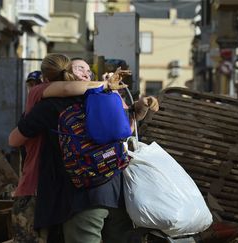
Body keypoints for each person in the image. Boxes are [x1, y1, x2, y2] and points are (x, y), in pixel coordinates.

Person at [9, 53, 148, 243]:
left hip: (81, 197)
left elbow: (13, 140)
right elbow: (125, 131)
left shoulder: (47, 104)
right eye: (80, 68)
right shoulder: (105, 99)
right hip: (118, 194)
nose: (86, 73)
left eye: (88, 70)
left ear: (47, 79)